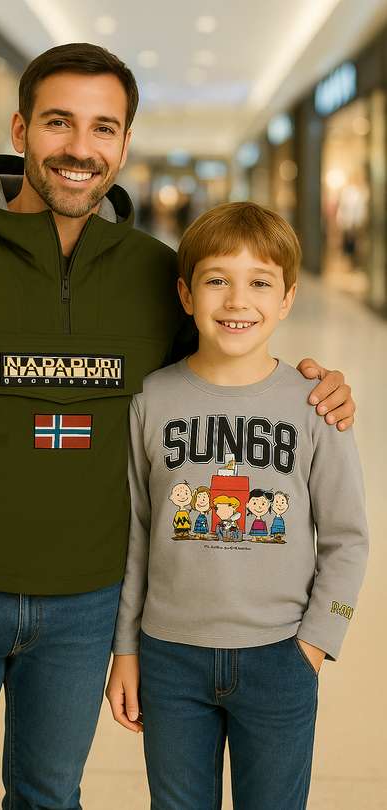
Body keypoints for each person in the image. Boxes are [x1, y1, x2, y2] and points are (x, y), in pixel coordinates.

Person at [0, 43, 355, 810]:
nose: (80, 148)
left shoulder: (153, 274)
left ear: (124, 143)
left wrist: (314, 380)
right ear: (20, 130)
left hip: (87, 605)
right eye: (59, 123)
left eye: (103, 128)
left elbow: (226, 363)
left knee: (50, 794)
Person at [106, 201, 368, 810]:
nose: (236, 300)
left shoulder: (315, 405)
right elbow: (137, 533)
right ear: (185, 293)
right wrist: (126, 647)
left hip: (281, 655)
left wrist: (317, 642)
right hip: (170, 657)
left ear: (288, 298)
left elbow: (346, 537)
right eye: (216, 280)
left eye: (260, 282)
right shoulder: (151, 400)